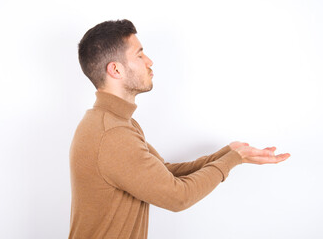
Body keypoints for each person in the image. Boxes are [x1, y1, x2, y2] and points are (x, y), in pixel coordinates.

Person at [68, 19, 290, 239]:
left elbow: (164, 172)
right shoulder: (112, 134)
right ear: (115, 69)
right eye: (139, 54)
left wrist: (227, 153)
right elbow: (178, 196)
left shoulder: (117, 123)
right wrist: (231, 160)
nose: (150, 61)